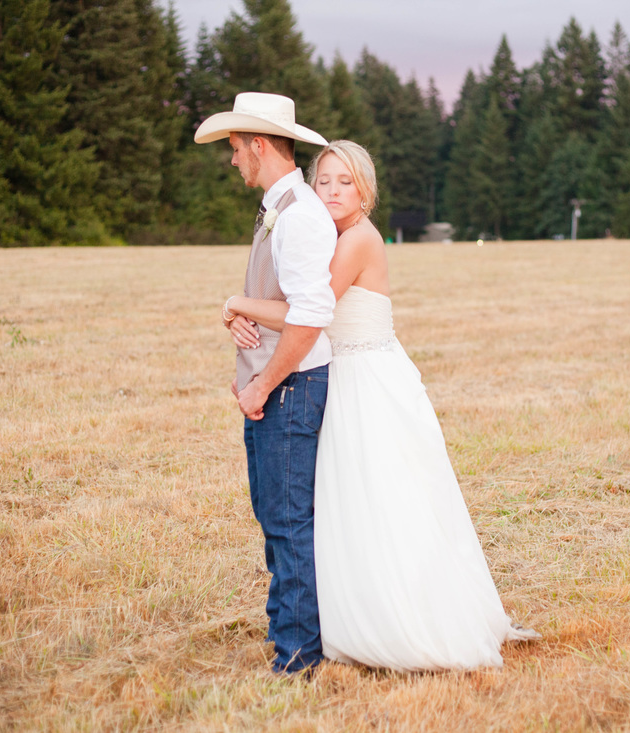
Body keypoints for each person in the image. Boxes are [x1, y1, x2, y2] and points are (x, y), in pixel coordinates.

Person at [223, 140, 538, 672]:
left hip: (367, 380)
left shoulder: (358, 242)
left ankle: (405, 620)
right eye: (324, 181)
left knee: (386, 499)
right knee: (348, 503)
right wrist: (244, 313)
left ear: (365, 189)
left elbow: (307, 310)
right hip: (342, 375)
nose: (333, 191)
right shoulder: (332, 235)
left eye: (345, 182)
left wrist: (234, 303)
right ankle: (346, 614)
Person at [194, 92, 338, 674]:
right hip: (278, 387)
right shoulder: (282, 207)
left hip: (291, 388)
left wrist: (261, 387)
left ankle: (299, 655)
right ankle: (289, 629)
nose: (232, 161)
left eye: (234, 149)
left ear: (258, 145)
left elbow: (310, 316)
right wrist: (240, 309)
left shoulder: (299, 215)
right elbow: (282, 303)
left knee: (288, 520)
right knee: (274, 515)